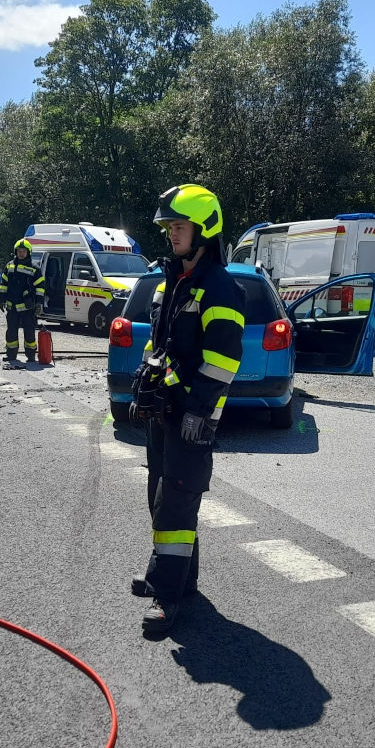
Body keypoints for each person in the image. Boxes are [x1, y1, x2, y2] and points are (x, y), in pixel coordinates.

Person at [130, 184, 245, 634]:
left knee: (177, 500)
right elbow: (157, 344)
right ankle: (181, 579)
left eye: (179, 226)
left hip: (192, 414)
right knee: (161, 493)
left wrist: (198, 411)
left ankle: (167, 595)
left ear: (205, 228)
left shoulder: (221, 288)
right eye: (170, 227)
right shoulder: (171, 281)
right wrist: (145, 381)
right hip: (164, 410)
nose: (172, 234)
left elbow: (223, 360)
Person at [0, 239, 45, 364]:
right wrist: (1, 299)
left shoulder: (35, 268)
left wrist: (39, 303)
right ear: (16, 252)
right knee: (11, 332)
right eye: (19, 251)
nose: (21, 253)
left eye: (24, 251)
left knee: (29, 332)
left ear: (28, 252)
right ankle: (11, 355)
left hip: (28, 308)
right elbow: (4, 284)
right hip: (12, 307)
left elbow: (40, 288)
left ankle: (30, 356)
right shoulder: (9, 266)